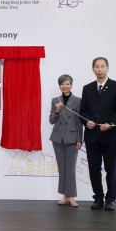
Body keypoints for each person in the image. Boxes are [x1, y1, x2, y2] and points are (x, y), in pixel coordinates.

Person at [79, 57, 116, 211]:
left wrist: (111, 124)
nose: (100, 69)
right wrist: (87, 122)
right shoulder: (87, 88)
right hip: (92, 136)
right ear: (93, 69)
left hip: (111, 136)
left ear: (107, 68)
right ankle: (98, 197)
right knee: (94, 168)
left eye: (102, 66)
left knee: (111, 168)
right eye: (97, 67)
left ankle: (111, 199)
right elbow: (83, 111)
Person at [49, 74, 83, 208]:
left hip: (72, 138)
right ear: (59, 86)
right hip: (57, 138)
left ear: (72, 85)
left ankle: (72, 197)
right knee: (62, 168)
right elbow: (51, 120)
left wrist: (80, 139)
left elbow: (79, 122)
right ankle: (64, 196)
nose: (65, 86)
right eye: (62, 84)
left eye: (67, 83)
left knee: (71, 169)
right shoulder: (55, 100)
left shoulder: (78, 100)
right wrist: (57, 111)